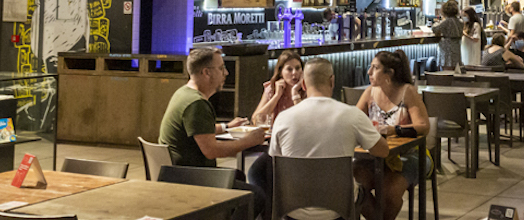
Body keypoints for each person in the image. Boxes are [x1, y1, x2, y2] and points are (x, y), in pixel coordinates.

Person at [270, 58, 389, 220]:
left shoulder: (283, 118)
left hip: (292, 210)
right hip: (337, 210)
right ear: (332, 81)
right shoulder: (352, 115)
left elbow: (276, 159)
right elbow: (382, 151)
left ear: (303, 85)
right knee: (362, 193)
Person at [158, 48, 268, 214]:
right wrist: (249, 141)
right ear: (206, 72)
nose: (226, 72)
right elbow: (211, 150)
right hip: (190, 178)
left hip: (175, 172)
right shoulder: (197, 104)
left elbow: (197, 130)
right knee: (256, 195)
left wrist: (226, 127)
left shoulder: (183, 94)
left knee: (237, 175)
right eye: (221, 68)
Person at [354, 50, 431, 220]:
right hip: (375, 156)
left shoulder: (407, 92)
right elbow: (354, 120)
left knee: (389, 191)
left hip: (412, 155)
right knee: (353, 186)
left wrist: (394, 130)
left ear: (389, 73)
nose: (369, 72)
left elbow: (424, 127)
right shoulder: (369, 92)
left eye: (375, 68)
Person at [250, 50, 305, 125]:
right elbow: (256, 120)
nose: (294, 73)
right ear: (281, 72)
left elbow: (305, 119)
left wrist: (295, 91)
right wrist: (276, 96)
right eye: (289, 69)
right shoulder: (272, 88)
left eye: (298, 68)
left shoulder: (308, 89)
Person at [432, 0, 463, 70]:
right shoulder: (460, 21)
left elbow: (435, 28)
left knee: (447, 70)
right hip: (456, 47)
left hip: (447, 48)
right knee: (455, 69)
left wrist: (437, 22)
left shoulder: (447, 21)